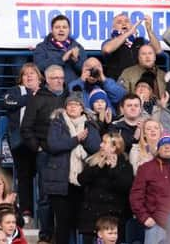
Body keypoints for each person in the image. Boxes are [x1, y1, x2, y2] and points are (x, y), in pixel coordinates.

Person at [44, 92, 101, 244]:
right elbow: (54, 145)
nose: (72, 107)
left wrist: (81, 140)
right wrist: (77, 139)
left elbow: (95, 147)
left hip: (83, 182)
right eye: (69, 104)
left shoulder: (90, 124)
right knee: (62, 225)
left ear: (82, 108)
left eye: (76, 104)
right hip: (60, 181)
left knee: (83, 224)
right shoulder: (57, 123)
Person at [19, 64, 67, 243]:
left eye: (61, 77)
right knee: (45, 197)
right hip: (45, 154)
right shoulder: (36, 98)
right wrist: (37, 147)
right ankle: (45, 236)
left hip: (68, 153)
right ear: (46, 79)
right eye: (55, 78)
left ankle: (63, 236)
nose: (59, 81)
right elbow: (26, 128)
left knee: (66, 196)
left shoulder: (70, 96)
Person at [1, 62, 41, 221]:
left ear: (39, 77)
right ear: (21, 78)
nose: (29, 76)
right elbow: (7, 103)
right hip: (20, 139)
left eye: (33, 73)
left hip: (41, 139)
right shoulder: (15, 91)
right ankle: (26, 210)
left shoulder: (46, 93)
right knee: (24, 176)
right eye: (26, 74)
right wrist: (30, 96)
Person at [77, 132, 133, 243]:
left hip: (113, 218)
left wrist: (114, 170)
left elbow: (125, 187)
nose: (101, 145)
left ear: (114, 147)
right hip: (92, 218)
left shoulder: (124, 164)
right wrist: (98, 166)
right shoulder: (93, 160)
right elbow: (81, 180)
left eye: (104, 143)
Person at [101, 13, 162, 80]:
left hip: (141, 82)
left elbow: (158, 50)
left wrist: (149, 30)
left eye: (126, 21)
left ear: (131, 25)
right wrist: (129, 32)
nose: (124, 24)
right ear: (113, 28)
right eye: (119, 22)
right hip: (119, 83)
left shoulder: (141, 41)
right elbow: (107, 49)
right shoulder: (109, 42)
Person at [33, 14, 85, 84]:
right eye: (57, 27)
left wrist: (76, 61)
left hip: (73, 90)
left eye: (64, 27)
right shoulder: (42, 47)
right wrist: (62, 59)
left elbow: (85, 71)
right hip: (50, 90)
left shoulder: (78, 47)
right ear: (52, 30)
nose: (61, 30)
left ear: (69, 30)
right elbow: (39, 68)